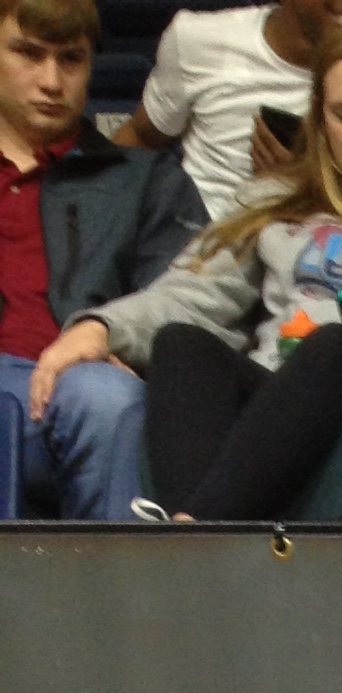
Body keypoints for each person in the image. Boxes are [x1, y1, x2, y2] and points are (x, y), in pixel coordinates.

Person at [54, 20, 342, 521]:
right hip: (281, 415)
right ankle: (193, 531)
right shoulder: (275, 206)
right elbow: (189, 294)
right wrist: (101, 326)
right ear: (320, 124)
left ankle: (196, 534)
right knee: (181, 343)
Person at [3, 0, 195, 520]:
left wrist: (122, 345)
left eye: (71, 60)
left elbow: (187, 302)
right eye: (28, 55)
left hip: (79, 385)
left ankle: (113, 597)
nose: (51, 80)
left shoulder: (146, 179)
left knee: (107, 396)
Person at [115, 0, 342, 224]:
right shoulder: (199, 39)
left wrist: (302, 188)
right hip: (198, 242)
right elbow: (141, 137)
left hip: (321, 248)